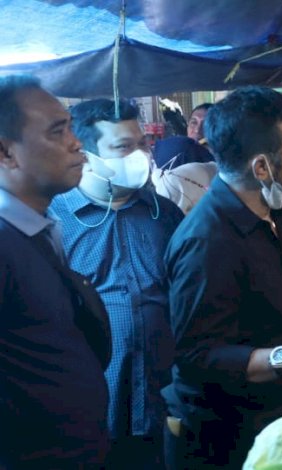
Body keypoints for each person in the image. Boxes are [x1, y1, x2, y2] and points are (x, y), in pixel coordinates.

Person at [163, 87, 282, 468]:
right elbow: (197, 356)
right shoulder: (208, 240)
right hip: (225, 437)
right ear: (261, 167)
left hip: (275, 415)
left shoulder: (271, 211)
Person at [49, 99, 184, 469]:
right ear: (87, 154)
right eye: (124, 147)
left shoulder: (164, 212)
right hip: (90, 404)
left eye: (143, 144)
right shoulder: (54, 220)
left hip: (163, 397)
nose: (140, 155)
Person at [0, 75, 113, 467]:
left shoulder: (41, 227)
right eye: (57, 130)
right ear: (6, 153)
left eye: (70, 127)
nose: (76, 142)